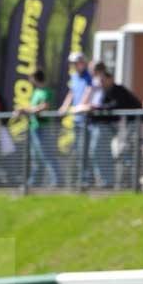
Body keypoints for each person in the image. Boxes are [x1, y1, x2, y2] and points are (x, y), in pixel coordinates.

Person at [18, 69, 62, 187]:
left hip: (44, 128)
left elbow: (44, 107)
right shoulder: (36, 91)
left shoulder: (46, 91)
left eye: (31, 77)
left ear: (35, 77)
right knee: (36, 157)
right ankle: (33, 184)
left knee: (47, 155)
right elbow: (34, 107)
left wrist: (26, 110)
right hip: (34, 128)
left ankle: (57, 182)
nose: (29, 80)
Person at [59, 52, 92, 185]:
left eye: (77, 62)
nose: (75, 65)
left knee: (85, 150)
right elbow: (71, 93)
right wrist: (64, 107)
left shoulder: (88, 77)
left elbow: (88, 91)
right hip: (77, 120)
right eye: (73, 63)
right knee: (78, 150)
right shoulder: (74, 77)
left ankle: (86, 179)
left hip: (86, 119)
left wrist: (80, 106)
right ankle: (80, 179)